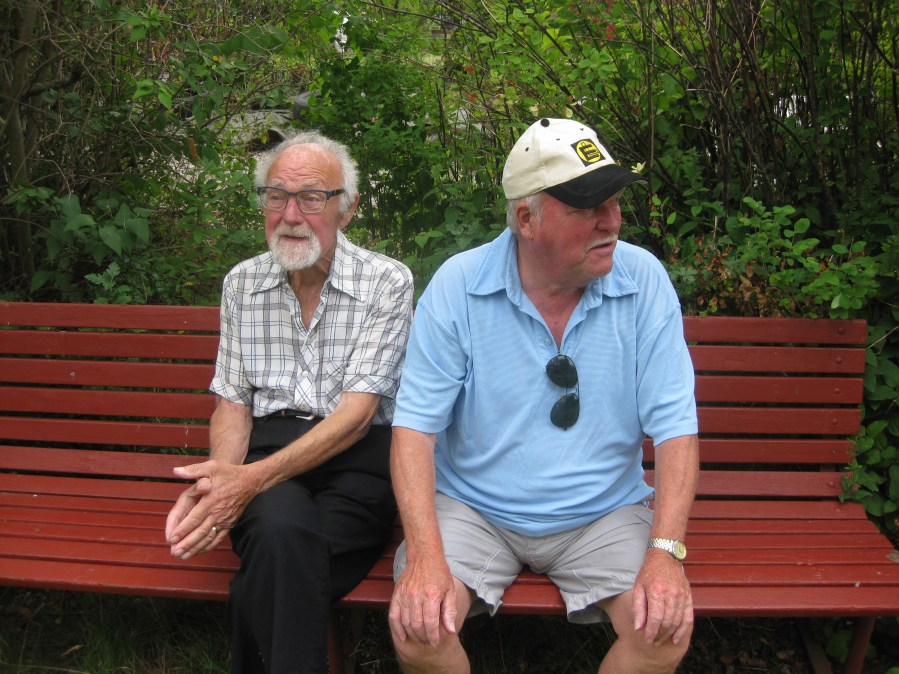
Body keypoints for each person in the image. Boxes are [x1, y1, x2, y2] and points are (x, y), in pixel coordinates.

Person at [387, 118, 699, 674]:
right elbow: (413, 431)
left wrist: (665, 553)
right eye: (587, 207)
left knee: (662, 632)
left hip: (603, 513)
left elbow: (676, 429)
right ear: (526, 219)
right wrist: (427, 557)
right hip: (475, 510)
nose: (612, 222)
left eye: (614, 201)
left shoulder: (643, 280)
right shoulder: (459, 286)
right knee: (419, 630)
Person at [164, 130, 414, 674]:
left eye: (311, 198)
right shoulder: (242, 284)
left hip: (356, 461)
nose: (291, 215)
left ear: (346, 209)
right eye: (277, 196)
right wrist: (222, 479)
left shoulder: (386, 282)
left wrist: (247, 484)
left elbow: (358, 417)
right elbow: (232, 403)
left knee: (276, 552)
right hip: (269, 447)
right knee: (282, 538)